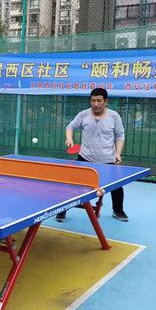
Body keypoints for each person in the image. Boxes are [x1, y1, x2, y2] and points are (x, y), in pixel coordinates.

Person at [56, 88, 128, 223]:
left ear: (106, 102)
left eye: (99, 101)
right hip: (85, 158)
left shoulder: (114, 116)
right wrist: (69, 138)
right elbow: (70, 127)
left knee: (117, 186)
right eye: (93, 101)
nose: (96, 104)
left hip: (108, 159)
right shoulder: (83, 115)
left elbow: (120, 135)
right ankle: (62, 210)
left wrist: (118, 154)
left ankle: (118, 210)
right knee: (72, 184)